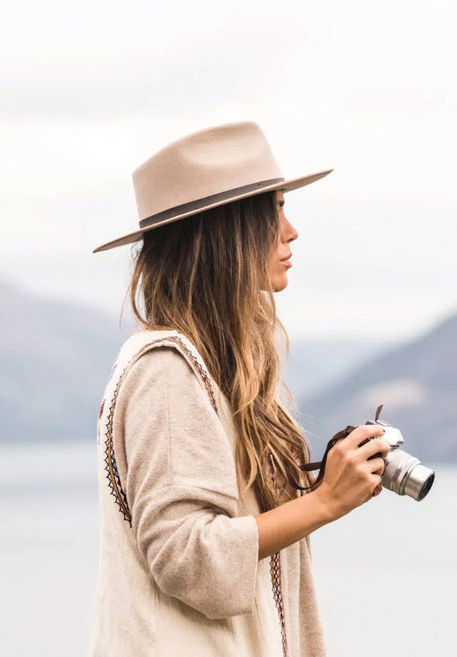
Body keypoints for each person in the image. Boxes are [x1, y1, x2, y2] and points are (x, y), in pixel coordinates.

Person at [89, 121, 390, 657]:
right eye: (274, 210)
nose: (291, 230)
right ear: (227, 231)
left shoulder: (214, 369)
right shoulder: (166, 371)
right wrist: (324, 502)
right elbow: (188, 557)